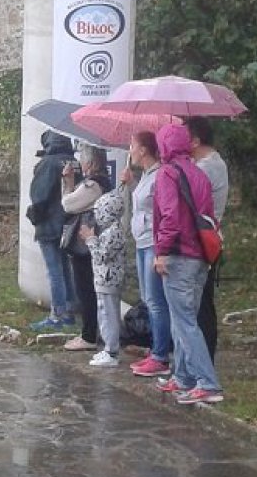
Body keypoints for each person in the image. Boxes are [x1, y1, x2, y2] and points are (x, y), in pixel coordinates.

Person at [151, 123, 224, 405]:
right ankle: (183, 377)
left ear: (164, 146)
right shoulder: (199, 173)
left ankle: (208, 383)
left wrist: (161, 251)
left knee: (183, 322)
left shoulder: (167, 173)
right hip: (200, 255)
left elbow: (170, 216)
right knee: (185, 318)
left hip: (178, 254)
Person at [127, 131, 174, 378]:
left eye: (132, 146)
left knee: (156, 301)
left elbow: (162, 211)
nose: (130, 151)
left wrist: (162, 250)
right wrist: (132, 184)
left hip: (153, 243)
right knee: (148, 298)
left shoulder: (160, 175)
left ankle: (160, 355)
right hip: (141, 241)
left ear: (144, 149)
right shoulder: (145, 175)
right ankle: (156, 348)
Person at [183, 116, 230, 363]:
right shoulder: (206, 164)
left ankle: (202, 361)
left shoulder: (207, 167)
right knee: (200, 303)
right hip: (203, 238)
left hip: (201, 240)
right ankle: (199, 360)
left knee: (200, 305)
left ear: (195, 140)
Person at [60, 145, 111, 352]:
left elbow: (68, 204)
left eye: (82, 158)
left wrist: (67, 183)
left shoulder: (93, 185)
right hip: (93, 241)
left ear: (90, 162)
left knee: (86, 288)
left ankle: (89, 335)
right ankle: (93, 331)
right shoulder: (100, 182)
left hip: (86, 242)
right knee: (90, 288)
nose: (80, 162)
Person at [26, 131, 78, 332]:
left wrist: (34, 215)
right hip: (68, 223)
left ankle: (57, 314)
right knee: (65, 268)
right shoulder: (73, 162)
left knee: (54, 270)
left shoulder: (48, 163)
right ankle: (69, 311)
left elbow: (39, 195)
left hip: (49, 223)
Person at [83, 182, 129, 367]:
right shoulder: (110, 231)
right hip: (103, 280)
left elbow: (101, 256)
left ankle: (111, 350)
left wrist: (90, 239)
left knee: (108, 314)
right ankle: (107, 347)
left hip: (109, 280)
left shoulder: (113, 232)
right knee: (104, 314)